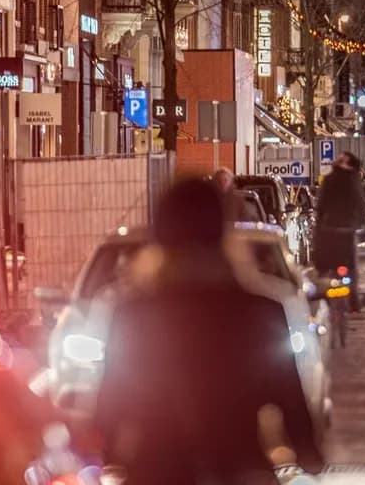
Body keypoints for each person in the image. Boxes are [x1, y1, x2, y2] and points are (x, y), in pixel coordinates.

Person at [94, 177, 323, 485]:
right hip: (239, 468)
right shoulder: (259, 311)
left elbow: (111, 402)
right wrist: (308, 453)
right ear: (222, 229)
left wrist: (110, 454)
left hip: (157, 471)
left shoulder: (133, 315)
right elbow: (289, 398)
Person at [313, 152, 365, 311]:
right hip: (347, 230)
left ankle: (324, 295)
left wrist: (319, 226)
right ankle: (353, 299)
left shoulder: (329, 179)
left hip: (329, 230)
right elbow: (360, 204)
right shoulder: (352, 180)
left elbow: (320, 205)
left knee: (325, 265)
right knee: (350, 266)